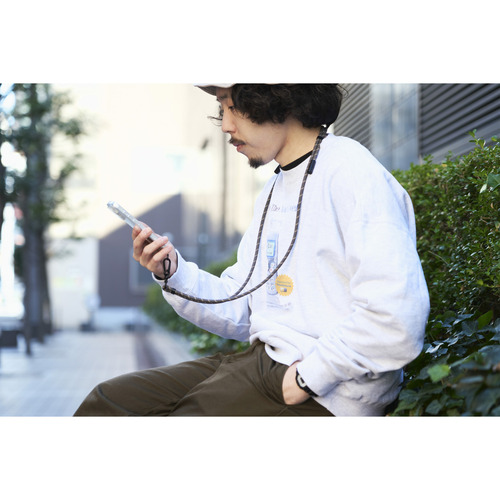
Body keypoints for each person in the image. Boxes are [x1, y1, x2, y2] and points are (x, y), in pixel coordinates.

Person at [74, 84, 430, 417]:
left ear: (277, 97)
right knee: (108, 402)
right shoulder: (273, 190)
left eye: (234, 107)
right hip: (264, 361)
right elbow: (240, 305)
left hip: (325, 390)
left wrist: (307, 378)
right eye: (222, 109)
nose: (226, 125)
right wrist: (171, 270)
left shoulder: (351, 172)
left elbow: (396, 316)